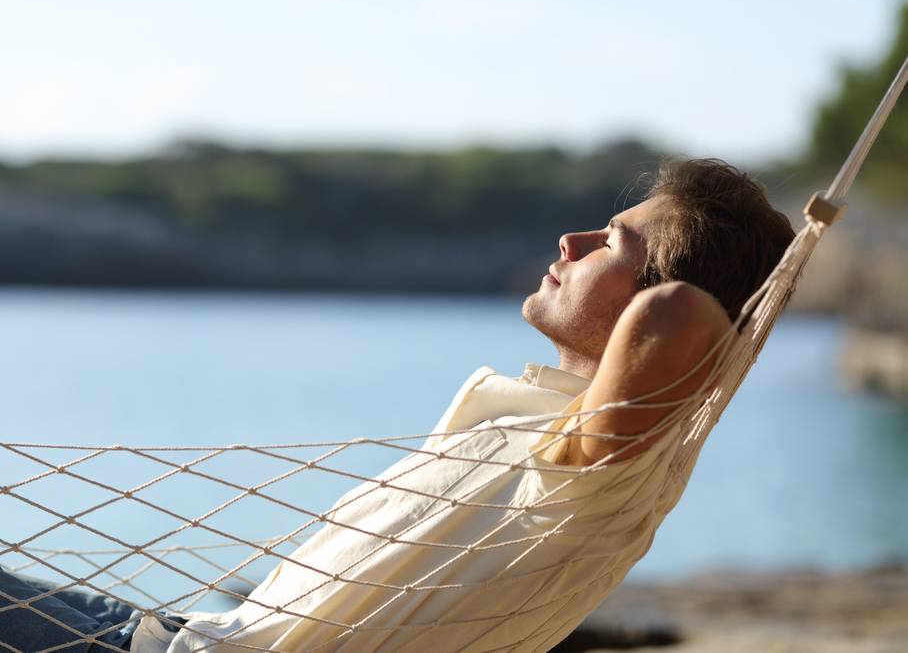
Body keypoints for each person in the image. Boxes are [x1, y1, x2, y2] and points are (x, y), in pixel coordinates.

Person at [1, 158, 795, 652]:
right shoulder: (548, 424)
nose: (571, 241)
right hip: (179, 635)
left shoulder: (591, 470)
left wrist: (739, 318)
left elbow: (679, 314)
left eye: (611, 242)